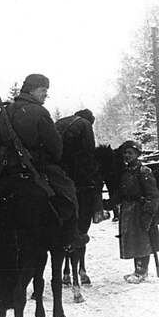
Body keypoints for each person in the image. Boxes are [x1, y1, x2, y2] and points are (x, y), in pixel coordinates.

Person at [0, 74, 79, 243]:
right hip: (37, 168)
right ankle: (71, 238)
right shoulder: (39, 112)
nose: (46, 94)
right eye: (43, 90)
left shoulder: (3, 112)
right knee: (68, 189)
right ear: (31, 90)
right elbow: (56, 148)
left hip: (7, 171)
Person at [56, 108, 99, 284]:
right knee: (82, 227)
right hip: (77, 177)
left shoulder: (60, 123)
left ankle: (64, 272)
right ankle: (99, 211)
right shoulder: (85, 125)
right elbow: (89, 153)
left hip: (57, 173)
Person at [118, 140, 159, 284]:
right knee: (133, 240)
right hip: (128, 210)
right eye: (125, 153)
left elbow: (153, 195)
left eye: (130, 153)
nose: (127, 155)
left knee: (143, 240)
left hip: (140, 210)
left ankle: (141, 271)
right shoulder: (125, 172)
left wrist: (148, 213)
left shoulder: (144, 171)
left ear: (137, 154)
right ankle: (137, 270)